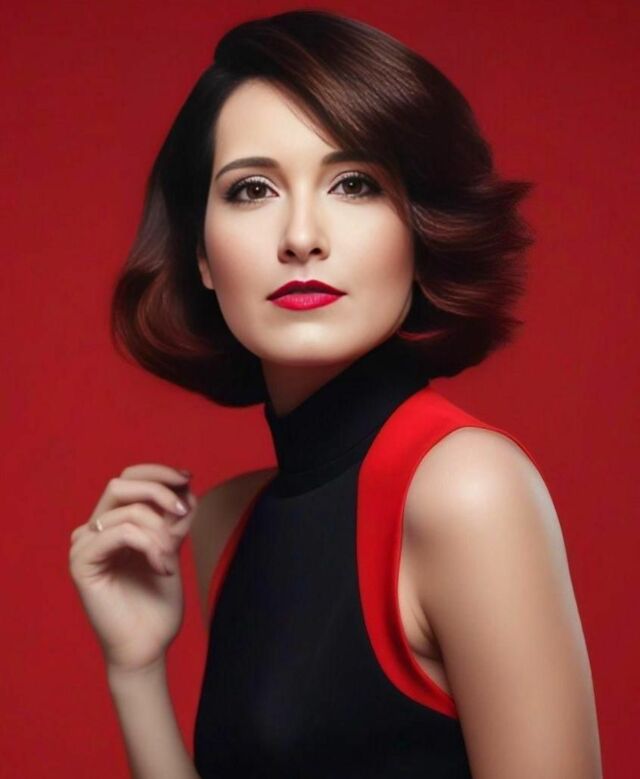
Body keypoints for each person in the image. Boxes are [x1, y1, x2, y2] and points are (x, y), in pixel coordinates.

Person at [68, 9, 602, 778]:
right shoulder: (227, 524)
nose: (301, 236)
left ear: (417, 229)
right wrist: (135, 668)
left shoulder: (466, 489)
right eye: (252, 189)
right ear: (202, 256)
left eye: (354, 184)